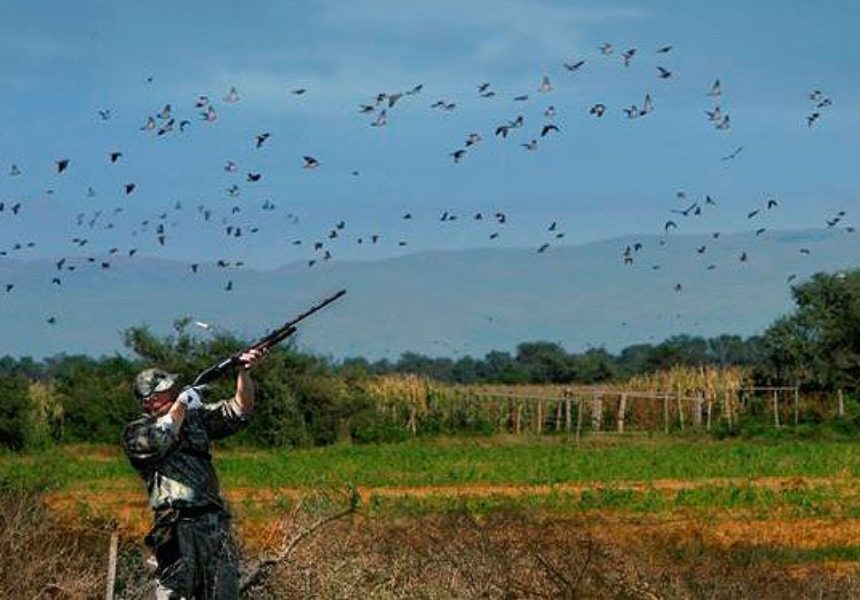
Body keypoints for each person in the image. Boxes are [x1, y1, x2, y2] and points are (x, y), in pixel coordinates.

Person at [122, 348, 267, 599]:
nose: (174, 392)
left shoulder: (194, 418)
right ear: (149, 400)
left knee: (222, 592)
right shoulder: (137, 432)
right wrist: (181, 404)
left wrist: (244, 373)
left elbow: (241, 411)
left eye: (173, 389)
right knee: (175, 592)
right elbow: (161, 439)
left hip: (212, 523)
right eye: (166, 390)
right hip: (176, 527)